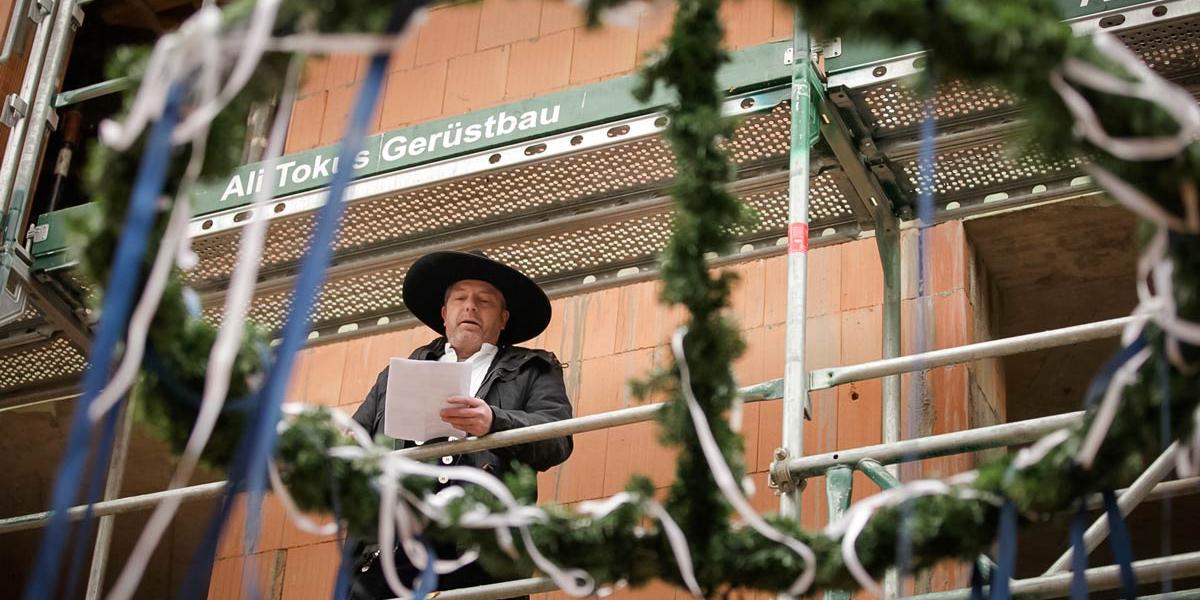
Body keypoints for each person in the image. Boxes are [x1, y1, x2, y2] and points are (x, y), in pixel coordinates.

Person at [347, 250, 574, 599]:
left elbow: (557, 439)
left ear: (503, 319)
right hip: (398, 544)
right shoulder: (397, 373)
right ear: (444, 313)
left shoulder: (534, 369)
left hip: (485, 542)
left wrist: (494, 422)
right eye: (460, 298)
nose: (470, 307)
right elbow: (355, 440)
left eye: (484, 301)